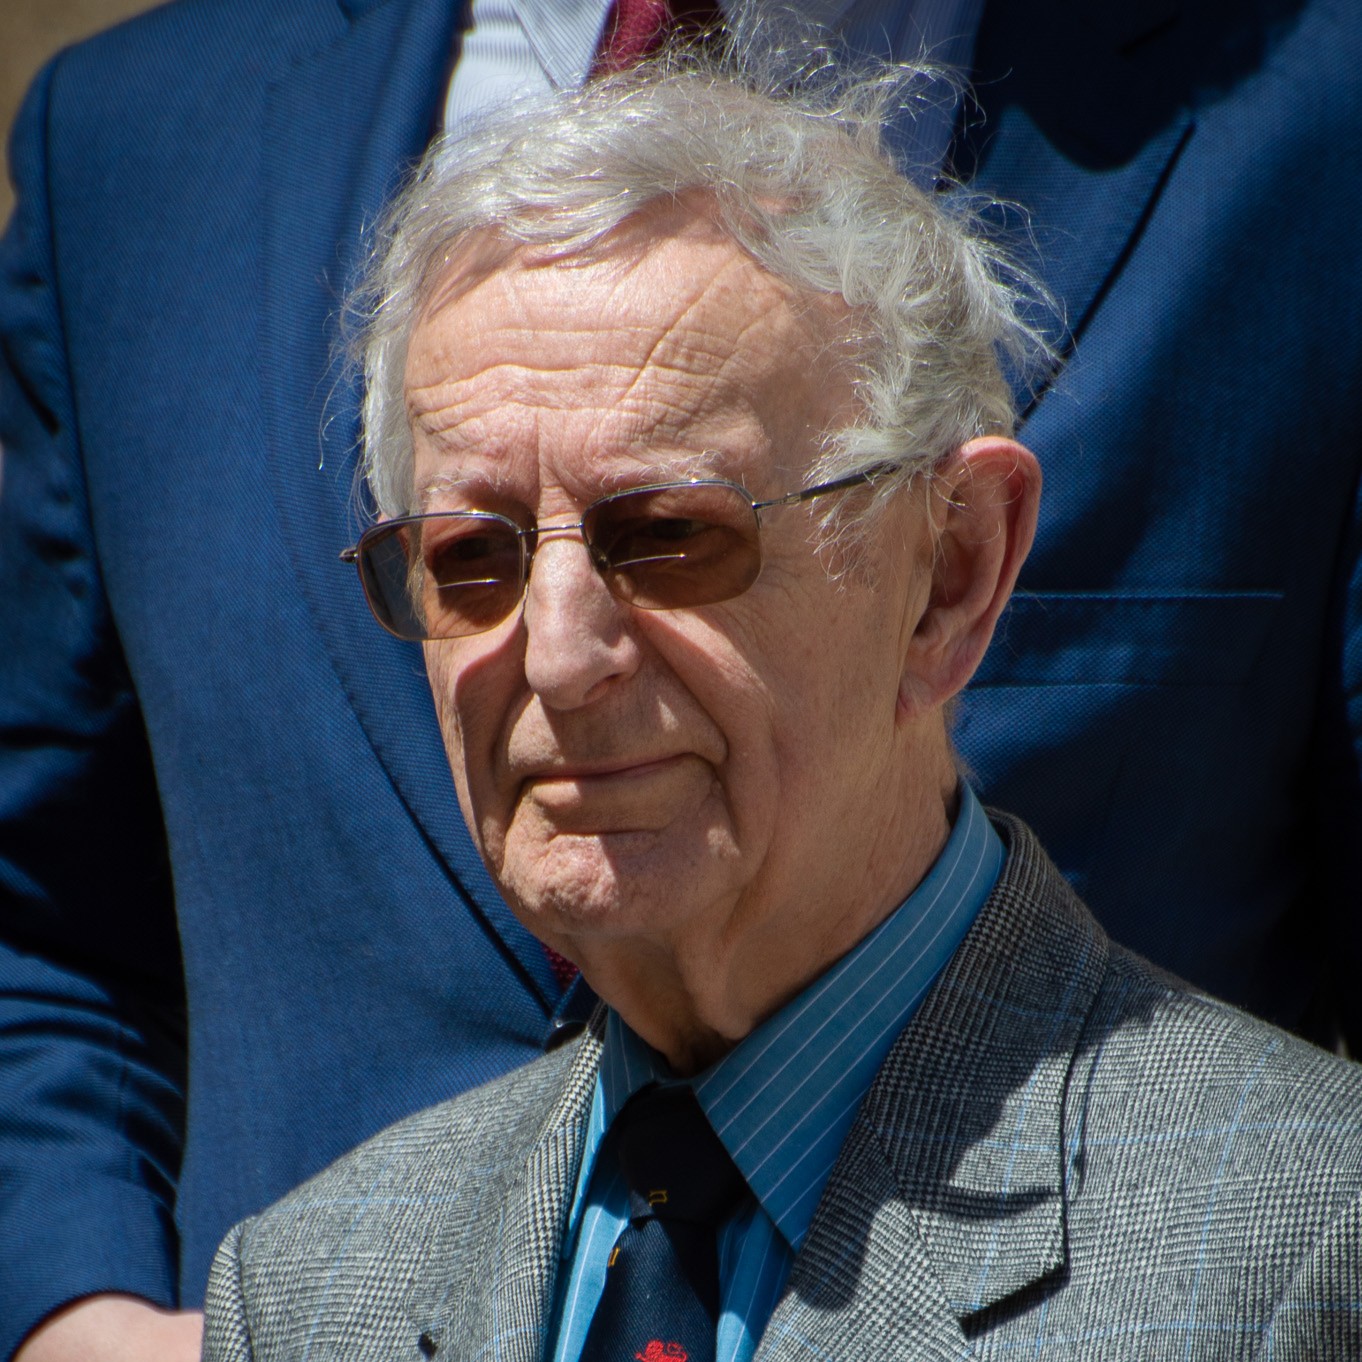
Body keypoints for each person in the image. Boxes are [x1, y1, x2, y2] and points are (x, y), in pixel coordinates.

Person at [5, 0, 1362, 1356]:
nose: (557, 654)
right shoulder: (295, 1286)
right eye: (468, 558)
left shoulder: (1302, 1240)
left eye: (668, 536)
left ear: (950, 574)